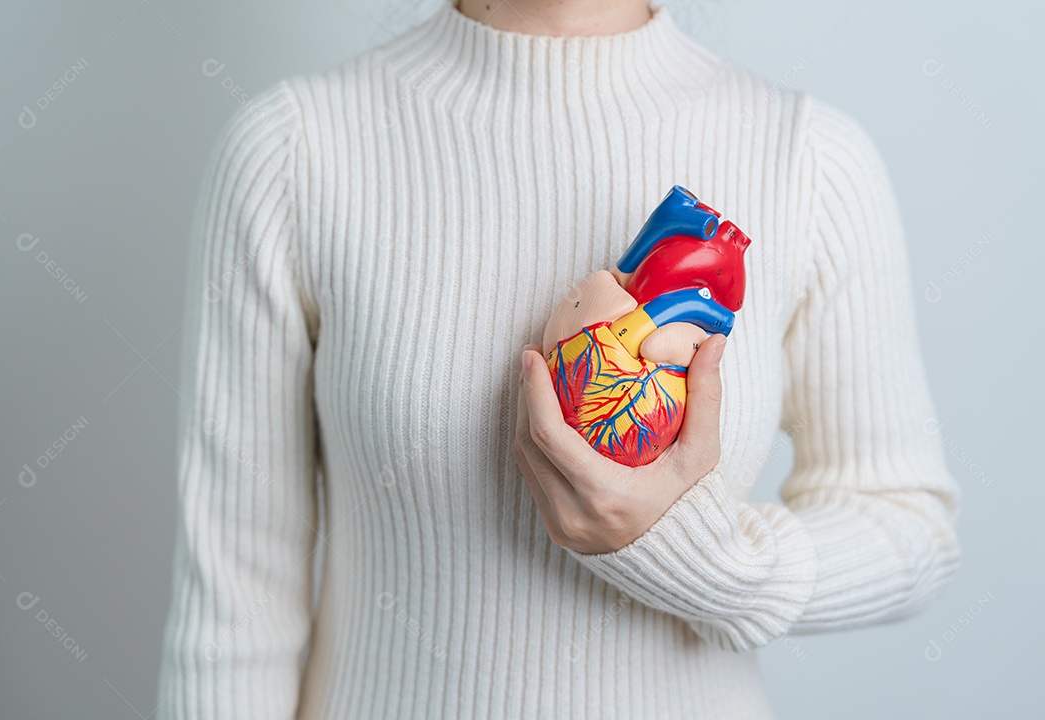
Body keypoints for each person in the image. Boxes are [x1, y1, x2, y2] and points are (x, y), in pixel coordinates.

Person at [154, 0, 963, 717]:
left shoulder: (810, 158)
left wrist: (709, 561)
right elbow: (234, 600)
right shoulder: (291, 155)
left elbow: (907, 526)